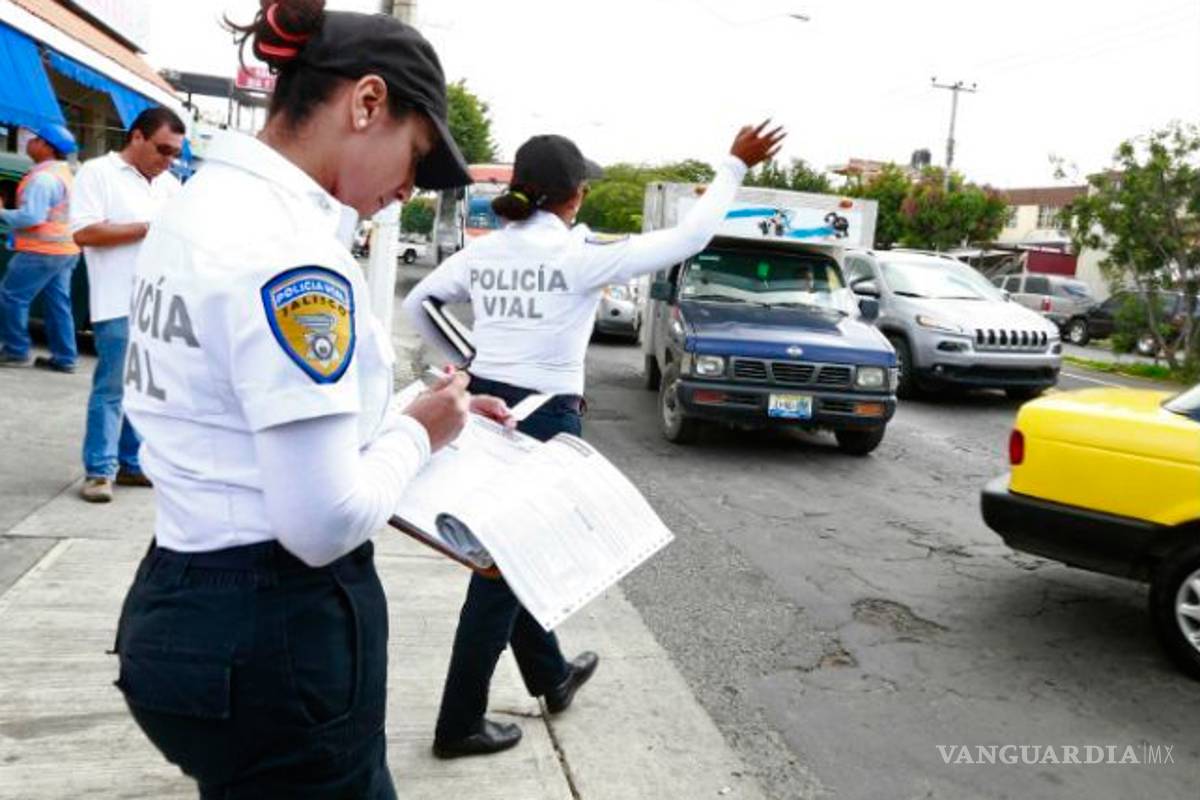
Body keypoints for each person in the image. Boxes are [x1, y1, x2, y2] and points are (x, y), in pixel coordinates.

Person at [111, 1, 507, 796]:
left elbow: (251, 414)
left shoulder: (200, 206)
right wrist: (420, 435)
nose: (407, 191)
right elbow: (320, 522)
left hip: (184, 597)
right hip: (274, 634)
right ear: (366, 103)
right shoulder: (294, 258)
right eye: (416, 155)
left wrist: (416, 417)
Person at [402, 122, 785, 758]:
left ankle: (552, 675)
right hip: (546, 418)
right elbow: (689, 237)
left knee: (508, 556)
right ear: (574, 196)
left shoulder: (485, 252)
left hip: (485, 409)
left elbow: (421, 303)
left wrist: (469, 363)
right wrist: (734, 167)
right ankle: (457, 723)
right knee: (497, 574)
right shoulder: (578, 257)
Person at [70, 107, 185, 503]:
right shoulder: (98, 174)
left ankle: (132, 461)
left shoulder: (170, 186)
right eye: (162, 150)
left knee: (147, 390)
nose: (168, 160)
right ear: (137, 137)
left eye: (174, 154)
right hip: (117, 300)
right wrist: (150, 229)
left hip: (160, 303)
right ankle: (99, 470)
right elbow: (85, 232)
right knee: (113, 387)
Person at [0, 125, 81, 372]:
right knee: (58, 304)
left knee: (11, 296)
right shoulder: (66, 174)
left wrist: (2, 213)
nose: (30, 142)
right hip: (66, 250)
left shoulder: (43, 179)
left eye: (35, 139)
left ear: (47, 146)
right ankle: (65, 358)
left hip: (42, 250)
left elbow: (31, 217)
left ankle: (15, 350)